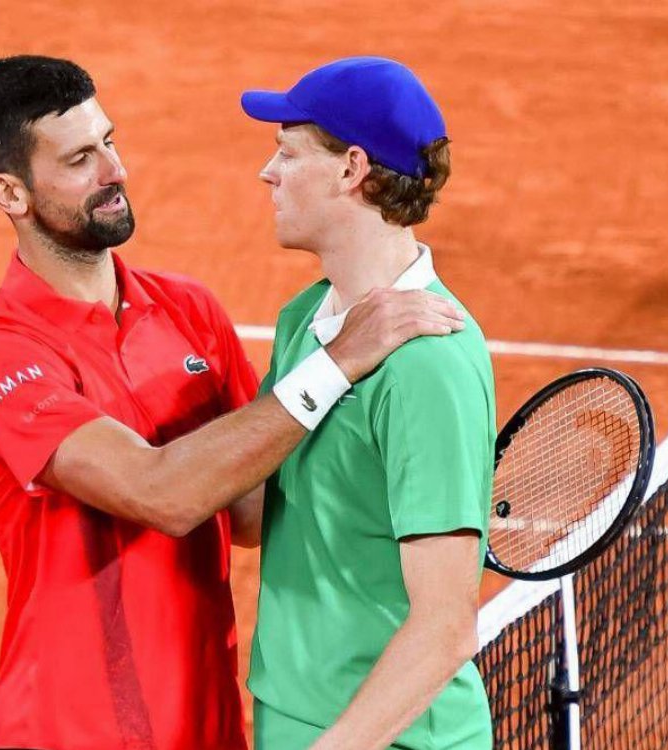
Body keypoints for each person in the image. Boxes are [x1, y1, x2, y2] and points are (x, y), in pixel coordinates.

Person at [0, 55, 467, 749]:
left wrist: (417, 485)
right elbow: (163, 494)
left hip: (208, 726)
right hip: (72, 733)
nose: (114, 171)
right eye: (79, 160)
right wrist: (337, 363)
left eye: (109, 141)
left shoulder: (189, 311)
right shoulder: (2, 359)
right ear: (10, 193)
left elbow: (248, 510)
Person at [240, 57, 496, 749]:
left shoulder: (428, 364)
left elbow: (446, 628)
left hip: (388, 734)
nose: (269, 174)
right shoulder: (304, 322)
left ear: (352, 168)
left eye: (287, 153)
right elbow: (247, 515)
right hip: (292, 711)